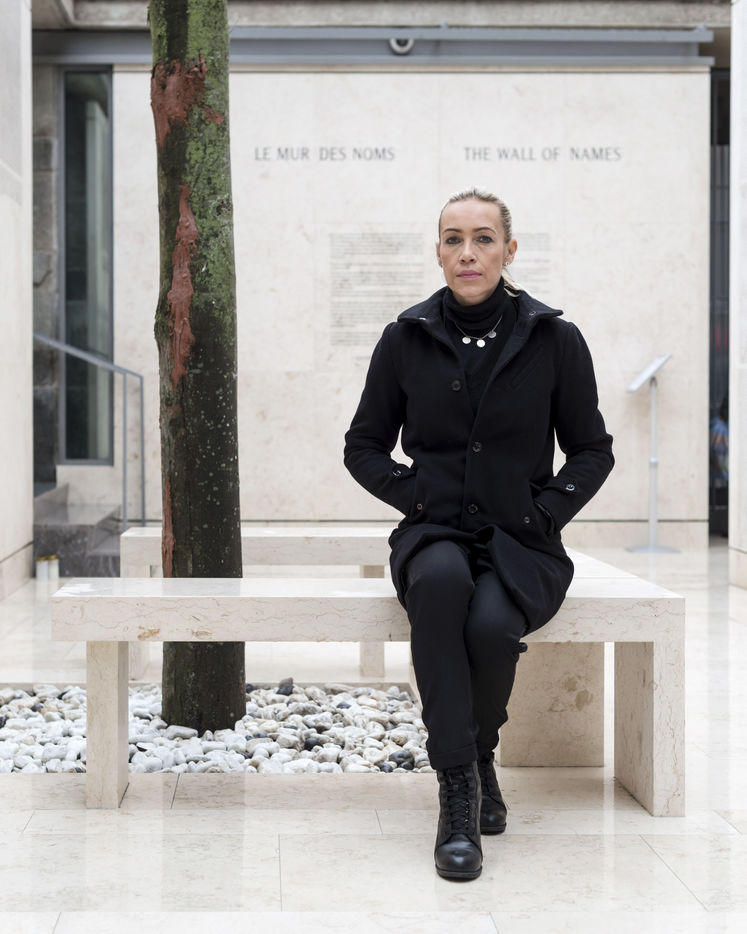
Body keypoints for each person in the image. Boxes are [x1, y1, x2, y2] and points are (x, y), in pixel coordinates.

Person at [344, 188, 614, 881]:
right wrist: (415, 495)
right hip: (433, 534)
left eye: (483, 238)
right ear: (437, 252)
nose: (468, 252)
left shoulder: (554, 339)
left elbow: (591, 449)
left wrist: (545, 511)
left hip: (522, 540)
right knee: (439, 584)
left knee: (492, 627)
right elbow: (363, 445)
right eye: (454, 239)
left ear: (508, 250)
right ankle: (458, 789)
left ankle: (478, 751)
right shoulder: (405, 338)